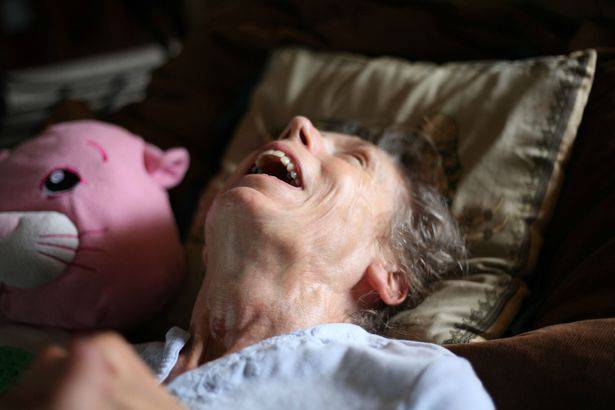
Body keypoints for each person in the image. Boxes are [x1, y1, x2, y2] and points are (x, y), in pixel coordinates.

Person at [1, 116, 493, 409]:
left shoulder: (417, 384)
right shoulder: (92, 365)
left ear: (390, 274)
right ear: (207, 240)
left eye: (354, 158)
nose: (298, 125)